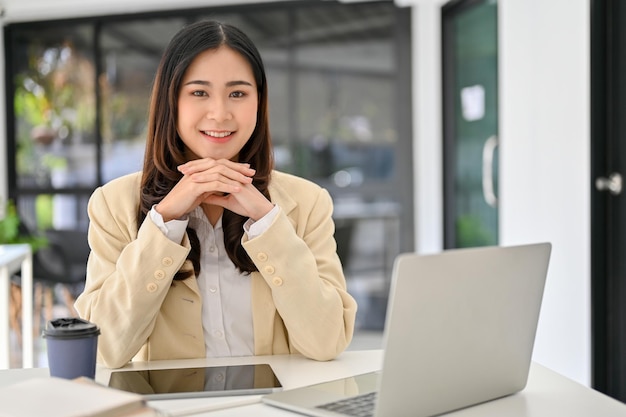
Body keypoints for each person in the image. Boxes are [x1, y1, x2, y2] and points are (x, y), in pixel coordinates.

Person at [74, 20, 357, 369]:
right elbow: (104, 351)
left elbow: (327, 342)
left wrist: (268, 222)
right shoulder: (114, 204)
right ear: (171, 102)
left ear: (259, 102)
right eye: (199, 92)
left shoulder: (308, 202)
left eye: (238, 93)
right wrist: (165, 222)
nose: (220, 114)